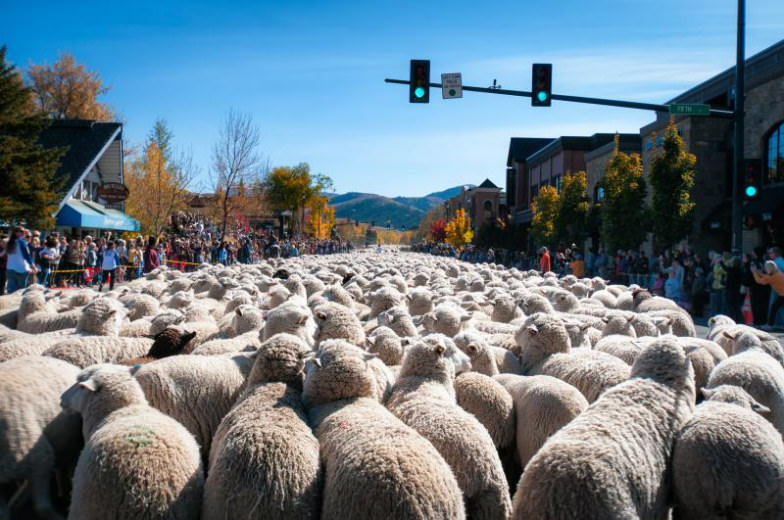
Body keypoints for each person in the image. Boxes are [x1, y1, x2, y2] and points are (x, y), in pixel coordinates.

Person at [2, 227, 37, 293]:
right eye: (21, 231)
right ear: (16, 233)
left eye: (23, 231)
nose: (23, 233)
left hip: (10, 269)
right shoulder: (22, 242)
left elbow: (2, 254)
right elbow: (26, 255)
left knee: (11, 293)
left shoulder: (9, 243)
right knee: (20, 293)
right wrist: (33, 266)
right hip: (21, 270)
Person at [752, 260, 784, 328]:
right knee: (774, 308)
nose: (765, 269)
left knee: (773, 308)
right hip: (782, 294)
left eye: (766, 267)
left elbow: (761, 281)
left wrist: (754, 273)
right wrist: (758, 272)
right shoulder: (777, 273)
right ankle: (770, 324)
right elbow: (766, 277)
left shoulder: (773, 276)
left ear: (770, 268)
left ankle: (770, 325)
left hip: (782, 294)